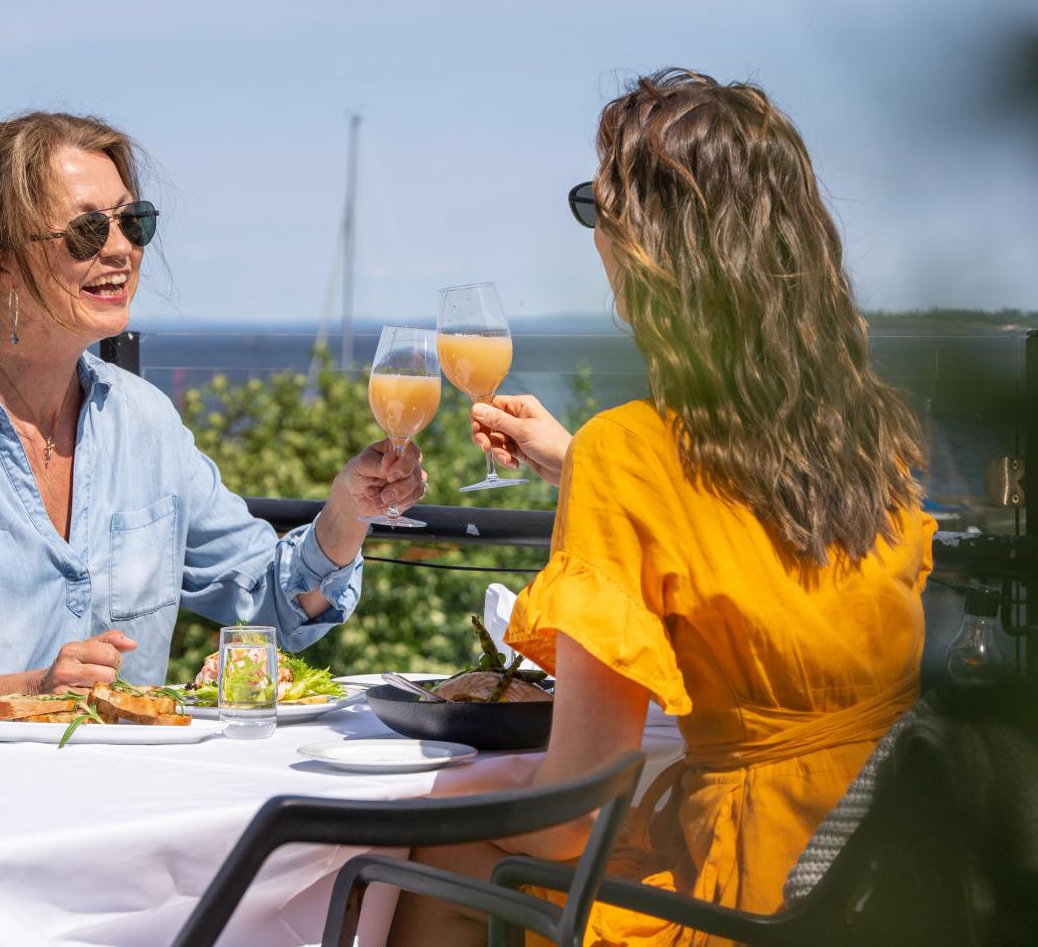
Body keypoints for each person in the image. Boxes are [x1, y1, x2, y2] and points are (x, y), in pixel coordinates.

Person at [390, 71, 935, 945]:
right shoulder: (869, 440)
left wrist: (467, 801)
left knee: (436, 857)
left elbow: (574, 811)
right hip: (883, 875)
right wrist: (582, 471)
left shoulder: (633, 450)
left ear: (646, 246)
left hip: (750, 899)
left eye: (595, 208)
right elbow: (753, 538)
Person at [0, 112, 425, 744]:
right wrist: (28, 694)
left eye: (132, 220)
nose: (121, 248)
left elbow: (270, 603)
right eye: (87, 230)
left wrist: (347, 514)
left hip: (131, 798)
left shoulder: (145, 422)